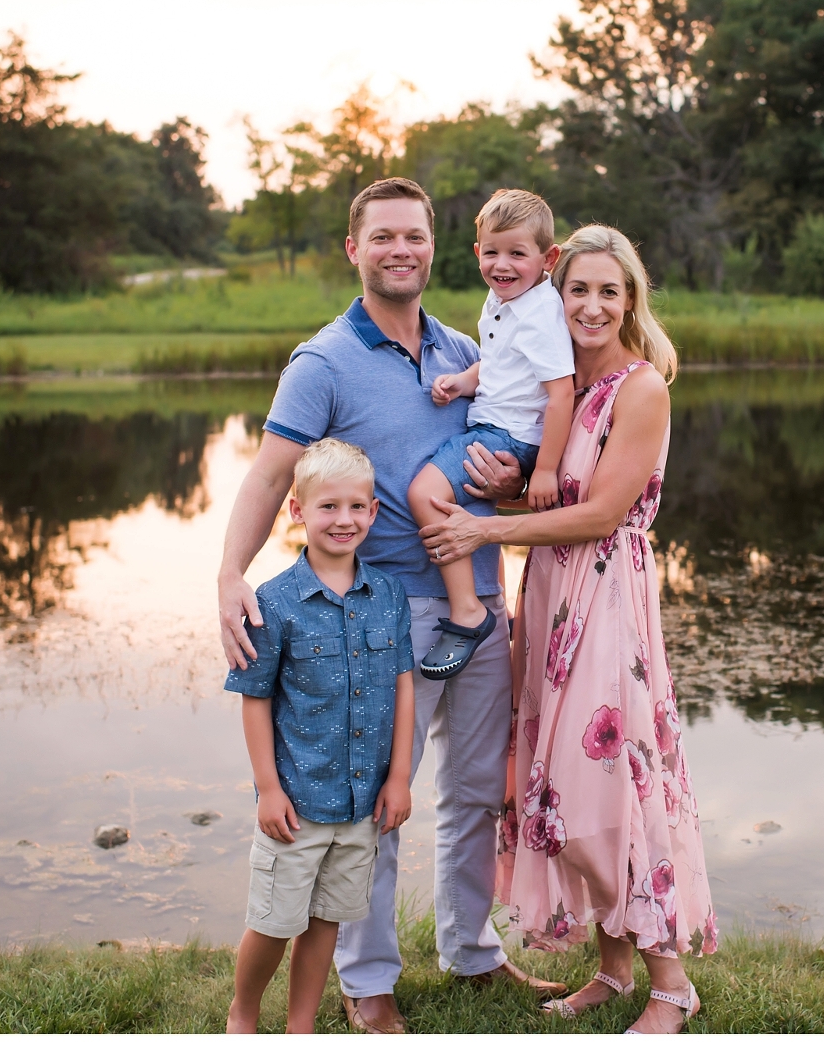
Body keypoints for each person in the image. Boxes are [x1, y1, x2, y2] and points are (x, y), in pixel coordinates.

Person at [216, 177, 566, 1036]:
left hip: (480, 602)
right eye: (384, 238)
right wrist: (231, 574)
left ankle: (472, 951)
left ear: (433, 248)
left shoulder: (464, 346)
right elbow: (270, 475)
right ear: (355, 249)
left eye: (414, 236)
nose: (401, 250)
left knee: (478, 790)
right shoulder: (324, 360)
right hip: (377, 617)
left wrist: (513, 484)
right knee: (377, 798)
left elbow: (510, 460)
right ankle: (367, 980)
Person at [419, 225, 718, 1035]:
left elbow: (601, 514)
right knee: (561, 780)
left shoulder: (640, 387)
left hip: (608, 597)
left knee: (612, 781)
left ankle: (671, 984)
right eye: (578, 290)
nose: (590, 306)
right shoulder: (562, 384)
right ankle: (612, 970)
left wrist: (483, 531)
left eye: (607, 293)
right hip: (551, 592)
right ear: (560, 292)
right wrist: (502, 490)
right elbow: (551, 502)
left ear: (631, 300)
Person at [223, 439, 417, 1034]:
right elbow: (255, 700)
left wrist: (400, 777)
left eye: (357, 507)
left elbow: (404, 685)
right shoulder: (274, 602)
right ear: (297, 512)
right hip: (298, 803)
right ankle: (245, 1011)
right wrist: (267, 790)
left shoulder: (388, 596)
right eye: (328, 506)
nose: (344, 519)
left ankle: (300, 1024)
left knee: (327, 921)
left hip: (361, 804)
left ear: (374, 514)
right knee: (275, 922)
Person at [408, 188, 576, 680]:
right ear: (477, 251)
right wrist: (463, 382)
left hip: (511, 436)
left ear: (548, 259)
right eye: (492, 252)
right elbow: (502, 366)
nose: (502, 265)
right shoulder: (503, 299)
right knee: (441, 499)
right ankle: (477, 602)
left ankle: (468, 612)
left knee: (424, 493)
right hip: (494, 423)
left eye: (517, 254)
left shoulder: (542, 313)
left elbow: (560, 394)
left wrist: (543, 470)